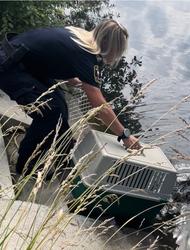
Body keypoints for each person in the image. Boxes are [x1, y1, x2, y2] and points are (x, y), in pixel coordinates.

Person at [0, 19, 141, 176]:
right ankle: (25, 165)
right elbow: (101, 107)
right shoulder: (87, 55)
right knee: (50, 113)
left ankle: (61, 154)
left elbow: (54, 54)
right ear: (111, 46)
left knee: (60, 106)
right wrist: (124, 135)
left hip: (18, 57)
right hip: (9, 67)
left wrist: (70, 78)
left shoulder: (79, 35)